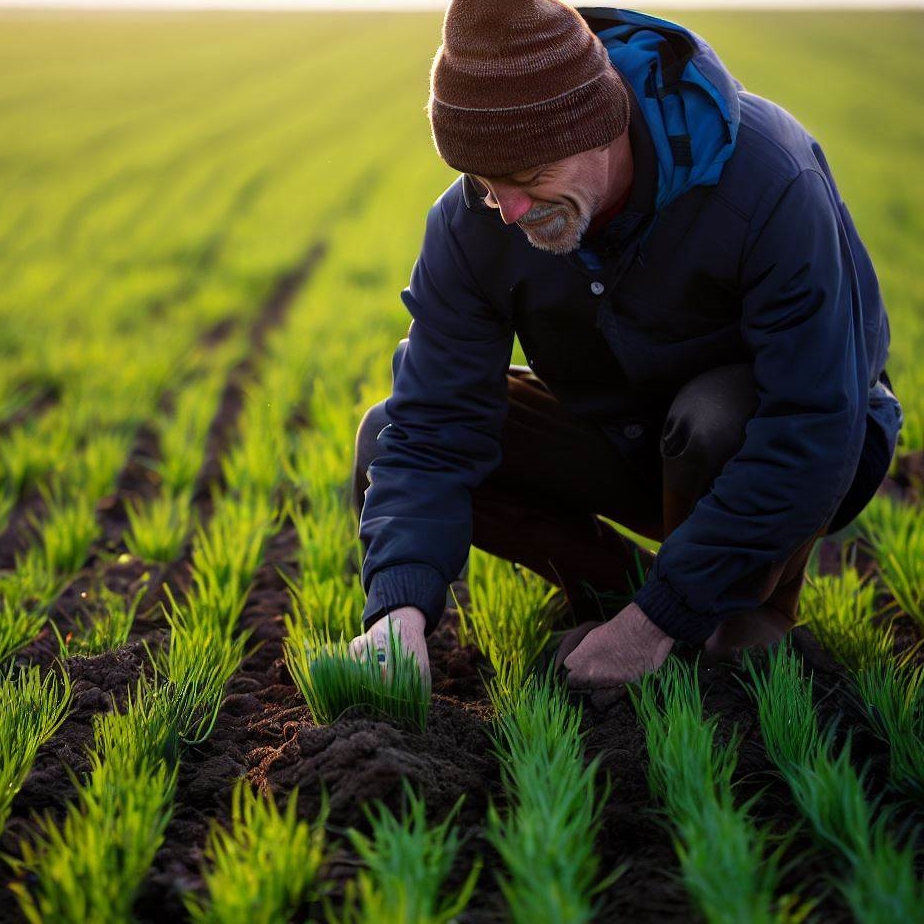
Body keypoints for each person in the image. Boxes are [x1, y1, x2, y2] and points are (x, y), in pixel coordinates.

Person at [347, 1, 903, 691]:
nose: (509, 210)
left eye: (525, 179)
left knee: (715, 417)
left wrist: (661, 622)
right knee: (385, 434)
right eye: (488, 185)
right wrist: (396, 615)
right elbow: (432, 424)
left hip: (782, 445)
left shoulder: (768, 180)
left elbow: (816, 421)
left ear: (599, 129)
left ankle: (740, 616)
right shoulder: (474, 222)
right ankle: (619, 595)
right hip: (626, 435)